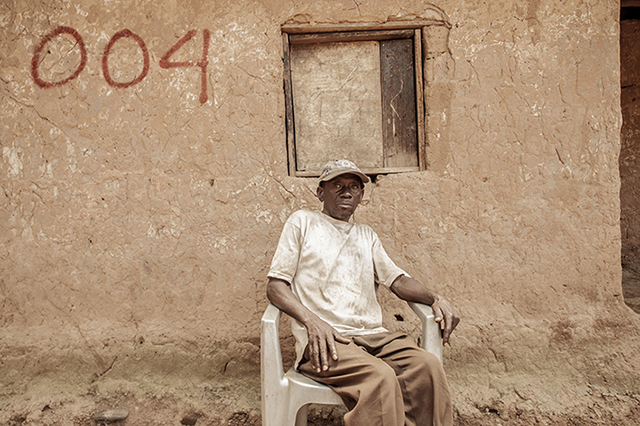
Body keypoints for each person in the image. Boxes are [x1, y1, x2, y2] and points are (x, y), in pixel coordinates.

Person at [267, 159, 460, 426]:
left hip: (373, 338)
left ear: (361, 195)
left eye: (354, 186)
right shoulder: (302, 222)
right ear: (321, 192)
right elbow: (276, 286)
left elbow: (398, 281)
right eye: (337, 185)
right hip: (327, 342)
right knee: (380, 377)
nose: (346, 192)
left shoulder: (366, 235)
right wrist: (312, 320)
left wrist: (436, 298)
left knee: (427, 368)